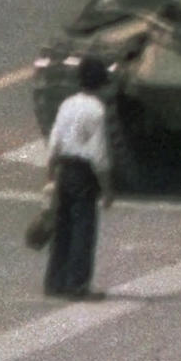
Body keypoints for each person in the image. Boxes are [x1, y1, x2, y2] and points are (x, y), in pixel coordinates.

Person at [44, 56, 115, 300]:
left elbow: (55, 140)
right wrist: (107, 189)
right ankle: (77, 284)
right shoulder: (96, 110)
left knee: (62, 227)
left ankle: (55, 281)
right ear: (101, 83)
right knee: (83, 229)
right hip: (84, 173)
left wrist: (51, 173)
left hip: (64, 169)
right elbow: (99, 154)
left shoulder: (67, 104)